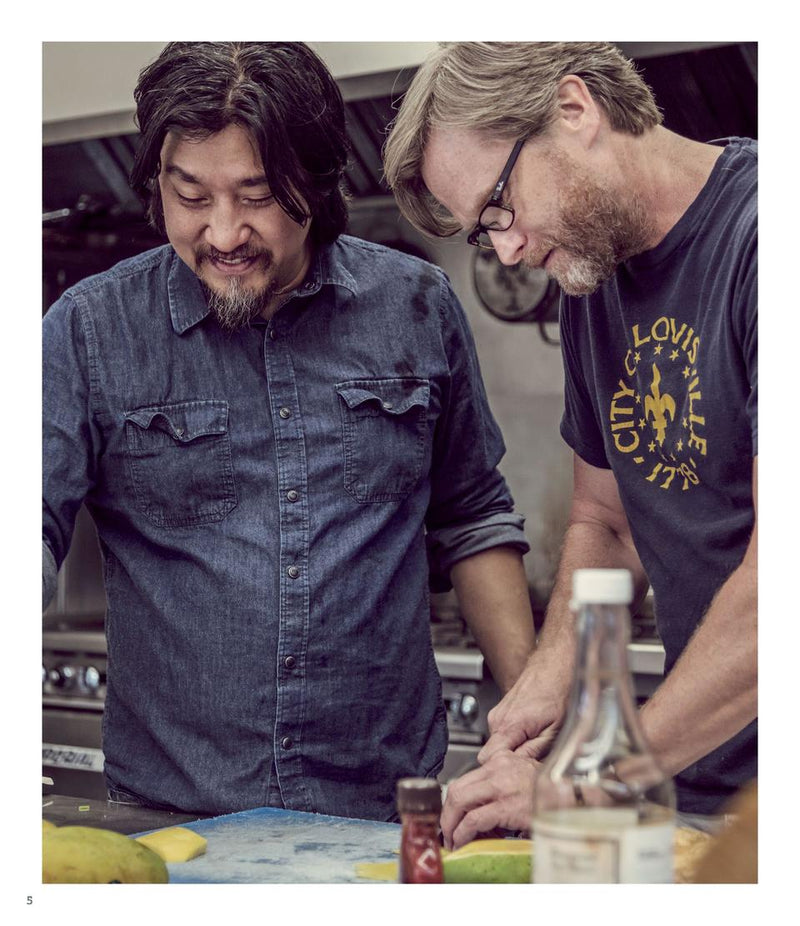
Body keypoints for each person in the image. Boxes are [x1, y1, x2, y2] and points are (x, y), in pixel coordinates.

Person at [42, 42, 537, 822]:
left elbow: (472, 518)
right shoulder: (91, 329)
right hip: (171, 818)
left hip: (380, 811)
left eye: (259, 195)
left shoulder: (416, 305)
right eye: (190, 195)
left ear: (317, 180)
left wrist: (533, 732)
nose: (223, 232)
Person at [383, 41, 757, 845]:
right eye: (485, 234)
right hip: (711, 793)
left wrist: (591, 779)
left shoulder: (765, 241)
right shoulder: (595, 280)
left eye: (499, 208)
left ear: (574, 108)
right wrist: (553, 678)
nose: (508, 249)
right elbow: (608, 524)